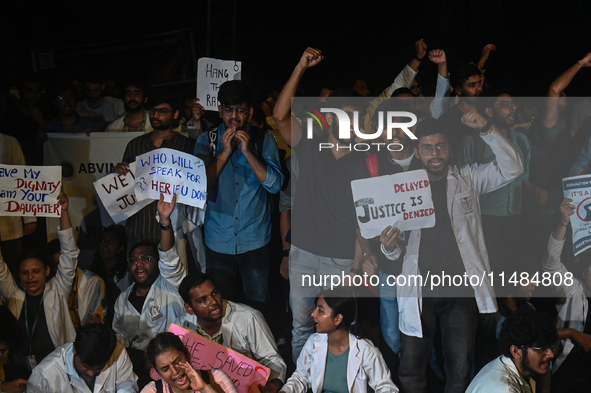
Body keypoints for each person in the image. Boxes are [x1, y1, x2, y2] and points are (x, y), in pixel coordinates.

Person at [382, 115, 523, 393]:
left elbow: (513, 168)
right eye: (427, 148)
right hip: (420, 289)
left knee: (459, 367)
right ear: (417, 151)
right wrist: (388, 246)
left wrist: (487, 128)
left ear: (450, 148)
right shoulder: (402, 187)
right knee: (411, 369)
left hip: (460, 292)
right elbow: (393, 249)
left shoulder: (468, 178)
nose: (435, 154)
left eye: (441, 146)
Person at [273, 47, 366, 362]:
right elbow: (279, 115)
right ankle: (303, 382)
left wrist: (355, 268)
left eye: (356, 117)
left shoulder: (364, 160)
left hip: (341, 261)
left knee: (340, 330)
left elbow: (362, 219)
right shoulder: (310, 144)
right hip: (304, 255)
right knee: (301, 326)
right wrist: (300, 66)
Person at [193, 80, 283, 305]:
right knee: (219, 305)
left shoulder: (264, 139)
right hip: (218, 239)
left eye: (240, 110)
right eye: (229, 110)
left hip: (255, 238)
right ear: (220, 110)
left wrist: (248, 152)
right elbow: (201, 186)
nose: (234, 116)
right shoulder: (206, 140)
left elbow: (275, 184)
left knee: (258, 303)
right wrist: (224, 153)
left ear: (250, 112)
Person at [112, 193, 187, 388]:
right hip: (138, 366)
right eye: (134, 261)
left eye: (146, 259)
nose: (139, 265)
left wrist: (164, 221)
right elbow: (119, 335)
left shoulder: (171, 283)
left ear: (158, 262)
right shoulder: (122, 299)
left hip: (174, 360)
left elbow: (169, 258)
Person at [0, 191, 77, 371]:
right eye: (25, 272)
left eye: (36, 271)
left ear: (47, 271)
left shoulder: (58, 290)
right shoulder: (13, 293)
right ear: (18, 275)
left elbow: (69, 253)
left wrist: (64, 211)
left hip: (56, 372)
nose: (30, 277)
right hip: (17, 373)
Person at [174, 273, 286, 393]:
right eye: (203, 300)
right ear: (189, 308)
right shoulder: (181, 327)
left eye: (214, 293)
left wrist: (271, 387)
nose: (213, 302)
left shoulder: (248, 317)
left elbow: (273, 360)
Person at [114, 91, 195, 245]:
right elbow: (125, 186)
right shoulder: (135, 145)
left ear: (176, 114)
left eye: (162, 111)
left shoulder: (186, 145)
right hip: (138, 228)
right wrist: (119, 172)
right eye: (152, 110)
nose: (156, 115)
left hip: (175, 230)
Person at [280, 289, 398, 393]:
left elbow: (385, 387)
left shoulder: (366, 350)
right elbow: (301, 377)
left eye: (320, 311)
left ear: (338, 319)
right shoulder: (313, 342)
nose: (313, 314)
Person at [541, 198, 591, 392]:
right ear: (584, 272)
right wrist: (563, 223)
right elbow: (550, 264)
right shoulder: (574, 291)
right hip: (568, 375)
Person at [27, 323, 137, 393]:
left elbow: (126, 382)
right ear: (75, 349)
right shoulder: (45, 374)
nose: (91, 374)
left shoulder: (117, 351)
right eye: (86, 367)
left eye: (98, 369)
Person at [466, 310, 559, 393]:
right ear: (516, 351)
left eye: (550, 347)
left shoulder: (505, 364)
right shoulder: (505, 389)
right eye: (542, 349)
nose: (551, 354)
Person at [142, 332, 237, 393]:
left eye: (177, 362)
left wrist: (205, 389)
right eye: (166, 369)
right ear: (158, 373)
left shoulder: (217, 379)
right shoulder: (152, 391)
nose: (175, 371)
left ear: (187, 354)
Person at [87, 225, 131, 325]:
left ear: (120, 248)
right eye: (102, 241)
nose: (105, 245)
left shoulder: (129, 272)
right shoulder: (91, 272)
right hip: (99, 322)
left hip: (123, 322)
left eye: (111, 242)